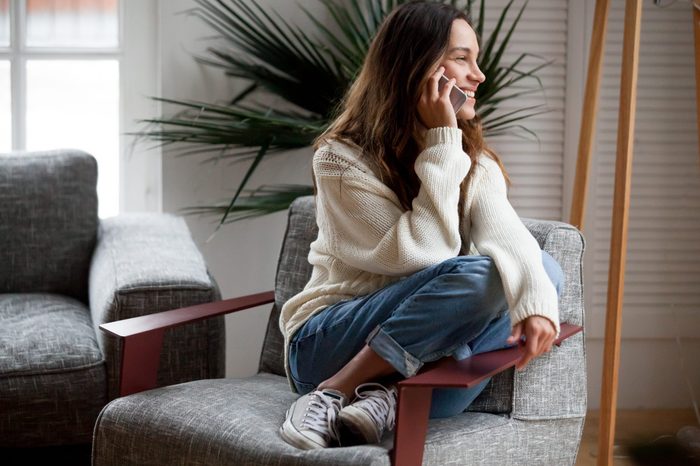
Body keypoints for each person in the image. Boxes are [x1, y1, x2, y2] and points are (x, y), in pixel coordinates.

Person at [278, 0, 564, 450]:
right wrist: (444, 142)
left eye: (477, 59)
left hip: (422, 376)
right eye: (462, 58)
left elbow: (511, 240)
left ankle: (383, 400)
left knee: (544, 272)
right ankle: (333, 390)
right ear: (418, 66)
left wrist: (539, 306)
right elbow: (422, 256)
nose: (479, 76)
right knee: (484, 274)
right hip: (327, 343)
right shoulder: (340, 159)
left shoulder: (477, 164)